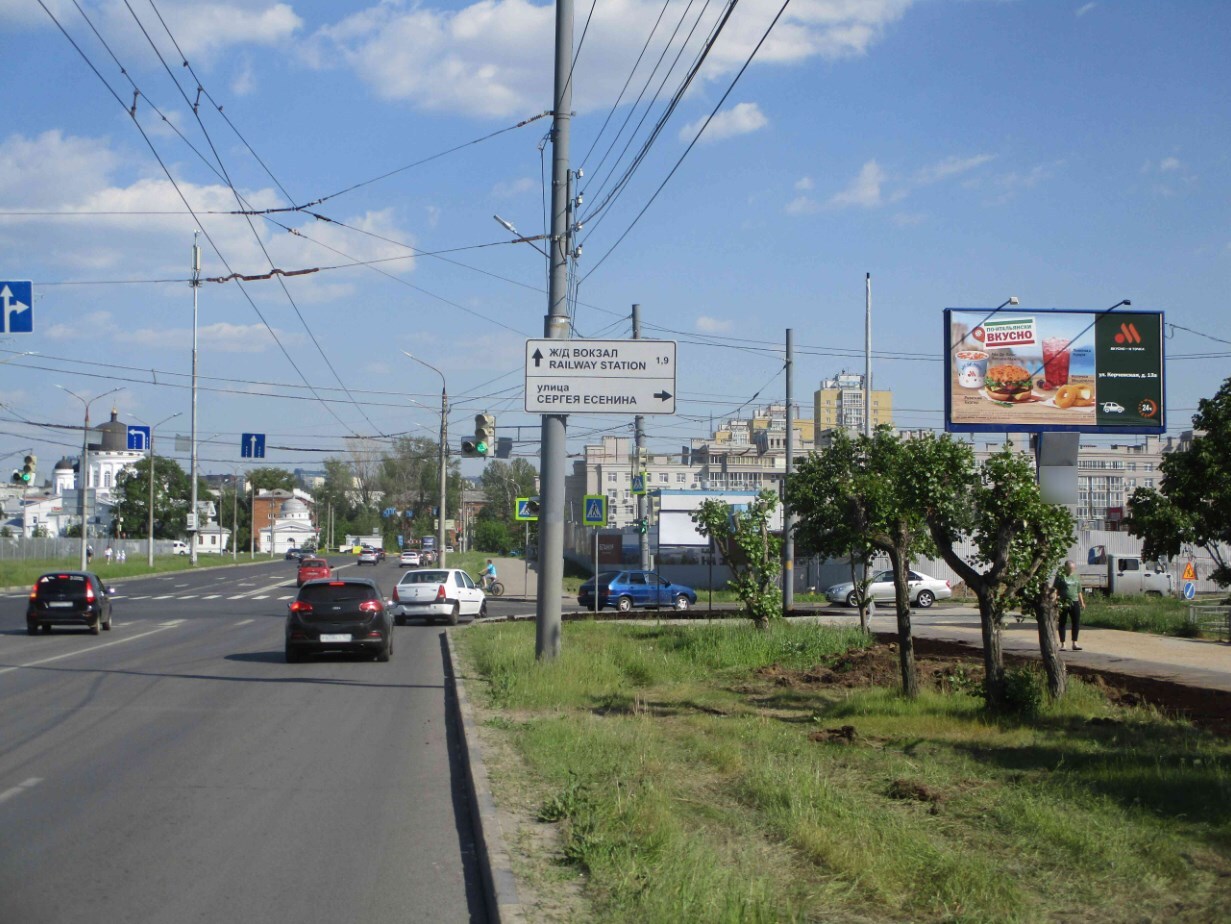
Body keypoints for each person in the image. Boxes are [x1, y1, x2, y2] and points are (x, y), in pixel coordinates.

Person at [1053, 560, 1086, 651]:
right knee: (1062, 622)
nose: (1072, 570)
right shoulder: (1060, 576)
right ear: (1066, 568)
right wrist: (1055, 600)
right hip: (1063, 602)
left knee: (1076, 623)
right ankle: (1063, 643)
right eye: (1070, 568)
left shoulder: (1076, 577)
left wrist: (1082, 602)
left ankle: (1075, 643)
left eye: (1073, 568)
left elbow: (1079, 591)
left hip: (1074, 602)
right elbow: (1055, 589)